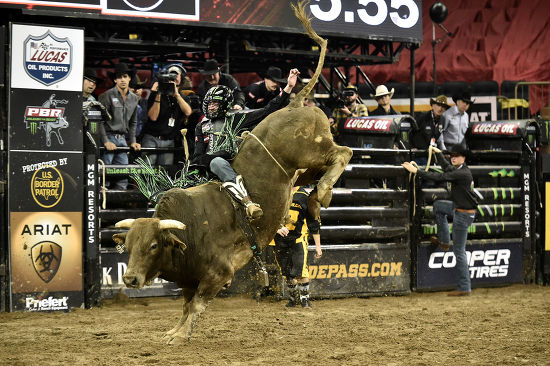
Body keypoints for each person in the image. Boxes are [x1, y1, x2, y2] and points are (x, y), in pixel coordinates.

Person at [192, 68, 300, 220]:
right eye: (209, 104)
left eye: (215, 104)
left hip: (233, 162)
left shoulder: (236, 117)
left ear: (224, 104)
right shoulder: (201, 126)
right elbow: (197, 155)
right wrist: (202, 162)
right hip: (208, 168)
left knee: (217, 162)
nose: (210, 107)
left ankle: (248, 203)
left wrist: (288, 87)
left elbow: (268, 110)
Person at [401, 144, 478, 296]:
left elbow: (440, 176)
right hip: (459, 209)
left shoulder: (461, 174)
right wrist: (439, 154)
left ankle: (465, 287)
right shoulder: (459, 170)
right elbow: (447, 168)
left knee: (459, 251)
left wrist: (417, 171)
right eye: (452, 155)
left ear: (463, 157)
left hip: (463, 214)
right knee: (438, 206)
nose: (453, 158)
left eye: (457, 155)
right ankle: (444, 241)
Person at [274, 186, 322, 308]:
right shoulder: (276, 192)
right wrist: (277, 228)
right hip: (278, 239)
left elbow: (314, 223)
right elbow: (267, 216)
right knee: (286, 272)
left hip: (298, 238)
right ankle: (293, 298)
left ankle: (305, 300)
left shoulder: (304, 197)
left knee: (301, 270)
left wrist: (318, 246)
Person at [98, 62, 141, 190]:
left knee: (122, 176)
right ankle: (100, 207)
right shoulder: (107, 95)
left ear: (129, 78)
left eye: (125, 76)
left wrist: (133, 141)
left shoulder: (134, 98)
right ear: (115, 79)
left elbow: (133, 122)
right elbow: (100, 121)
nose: (122, 79)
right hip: (109, 136)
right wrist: (105, 141)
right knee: (104, 177)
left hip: (123, 139)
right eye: (119, 77)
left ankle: (118, 207)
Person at [141, 64, 192, 165]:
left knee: (165, 173)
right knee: (147, 171)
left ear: (181, 78)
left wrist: (176, 94)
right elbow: (153, 117)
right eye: (170, 75)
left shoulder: (183, 98)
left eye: (176, 75)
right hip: (152, 138)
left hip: (169, 140)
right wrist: (158, 94)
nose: (173, 78)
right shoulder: (156, 93)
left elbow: (188, 112)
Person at [411, 95, 450, 167]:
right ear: (433, 105)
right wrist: (411, 147)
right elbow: (411, 131)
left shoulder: (443, 120)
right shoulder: (422, 117)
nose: (440, 108)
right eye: (438, 105)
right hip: (419, 154)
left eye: (443, 106)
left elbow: (440, 139)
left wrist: (444, 151)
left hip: (431, 155)